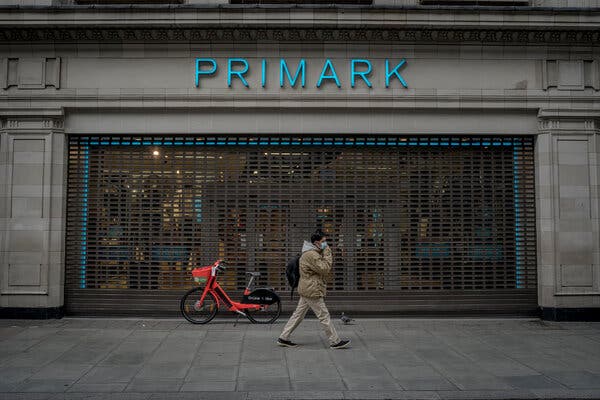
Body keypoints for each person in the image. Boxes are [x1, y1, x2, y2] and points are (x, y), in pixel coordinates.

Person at [277, 230, 351, 349]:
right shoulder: (311, 254)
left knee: (298, 315)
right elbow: (325, 268)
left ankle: (283, 337)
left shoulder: (311, 252)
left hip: (307, 288)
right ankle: (335, 341)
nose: (325, 243)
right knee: (324, 316)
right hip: (312, 290)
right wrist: (327, 252)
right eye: (323, 241)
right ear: (316, 242)